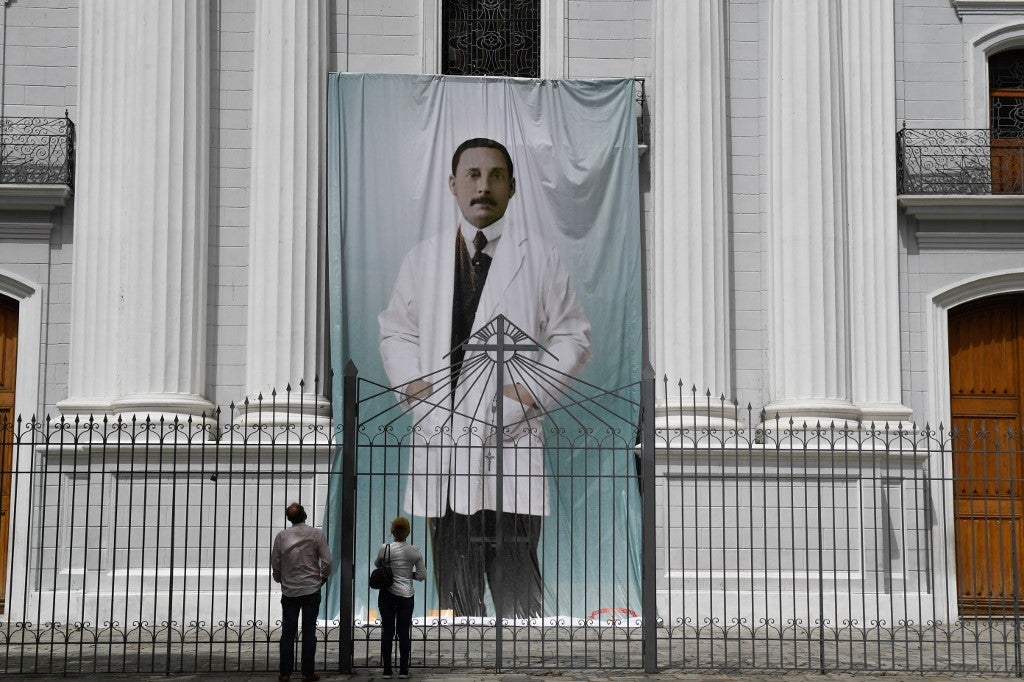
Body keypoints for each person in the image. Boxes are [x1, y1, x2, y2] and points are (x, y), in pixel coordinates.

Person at [379, 137, 592, 619]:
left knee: (516, 586)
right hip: (442, 435)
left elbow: (573, 336)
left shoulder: (539, 257)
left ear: (513, 187)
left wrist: (533, 390)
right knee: (454, 589)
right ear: (453, 185)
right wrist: (412, 384)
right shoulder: (423, 259)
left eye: (496, 176)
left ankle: (523, 667)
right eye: (472, 175)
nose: (484, 186)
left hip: (509, 438)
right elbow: (396, 330)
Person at [271, 502, 332, 682]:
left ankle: (285, 673)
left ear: (289, 519)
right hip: (311, 589)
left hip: (290, 591)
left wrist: (280, 579)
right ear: (305, 516)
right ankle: (308, 673)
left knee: (288, 633)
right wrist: (323, 578)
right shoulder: (316, 534)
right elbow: (327, 561)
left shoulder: (282, 536)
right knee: (309, 632)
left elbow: (276, 562)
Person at [375, 516, 426, 679]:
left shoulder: (386, 548)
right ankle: (403, 670)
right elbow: (421, 575)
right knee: (404, 632)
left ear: (392, 532)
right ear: (408, 532)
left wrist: (393, 571)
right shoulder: (415, 551)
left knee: (387, 632)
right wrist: (406, 574)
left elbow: (378, 564)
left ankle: (387, 670)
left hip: (387, 594)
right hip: (406, 595)